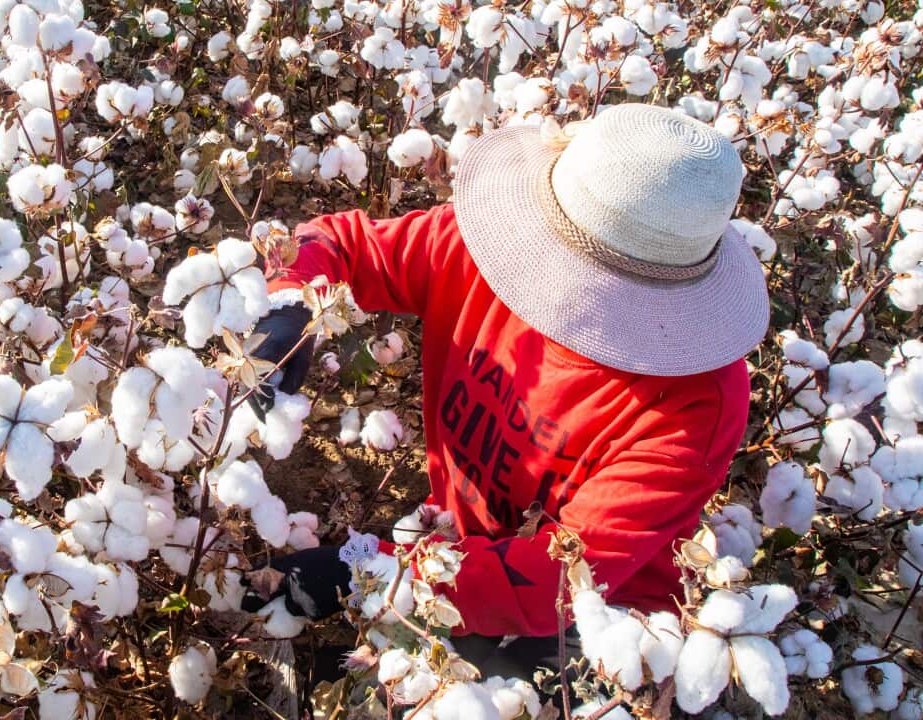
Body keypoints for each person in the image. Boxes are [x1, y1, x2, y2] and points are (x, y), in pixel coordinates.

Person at [239, 103, 770, 678]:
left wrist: (369, 572)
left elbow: (558, 580)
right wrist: (288, 303)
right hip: (461, 544)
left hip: (597, 618)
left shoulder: (695, 406)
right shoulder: (486, 250)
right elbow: (341, 242)